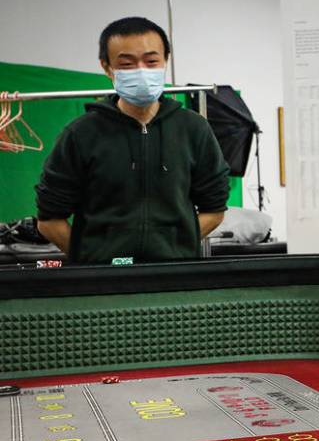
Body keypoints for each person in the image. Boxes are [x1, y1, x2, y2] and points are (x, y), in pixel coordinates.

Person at [36, 17, 230, 264]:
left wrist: (174, 246)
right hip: (102, 284)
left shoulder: (193, 129)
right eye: (127, 64)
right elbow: (49, 220)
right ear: (107, 67)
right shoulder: (81, 134)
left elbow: (214, 209)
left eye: (151, 61)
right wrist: (90, 259)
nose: (141, 70)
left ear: (165, 62)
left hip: (174, 278)